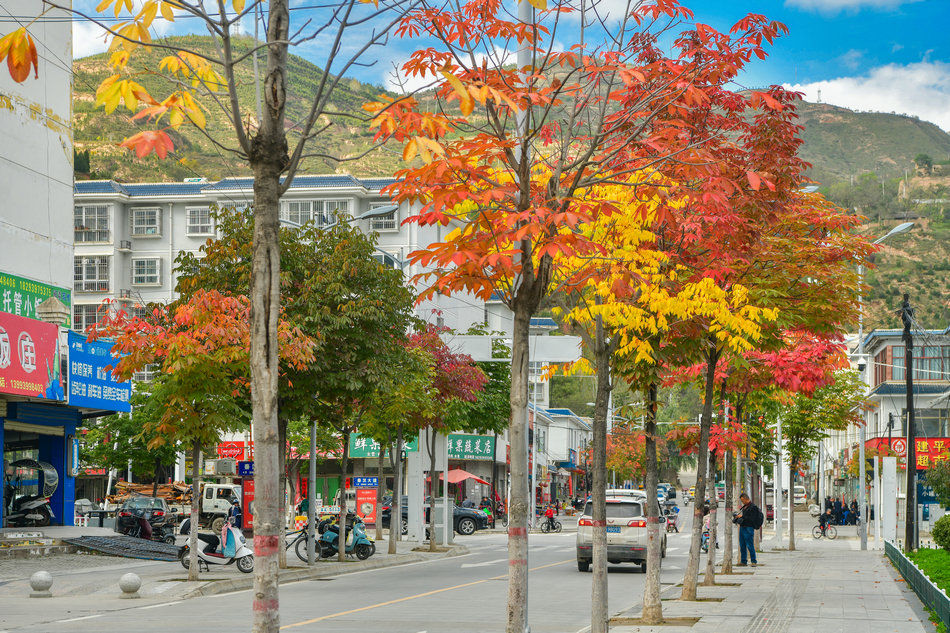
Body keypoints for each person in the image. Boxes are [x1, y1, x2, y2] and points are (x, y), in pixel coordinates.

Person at [734, 492, 762, 566]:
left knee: (749, 545)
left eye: (743, 500)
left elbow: (751, 519)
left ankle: (753, 561)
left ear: (746, 499)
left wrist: (741, 517)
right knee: (742, 545)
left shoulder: (753, 507)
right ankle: (743, 561)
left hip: (749, 528)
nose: (742, 502)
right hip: (742, 527)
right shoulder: (745, 507)